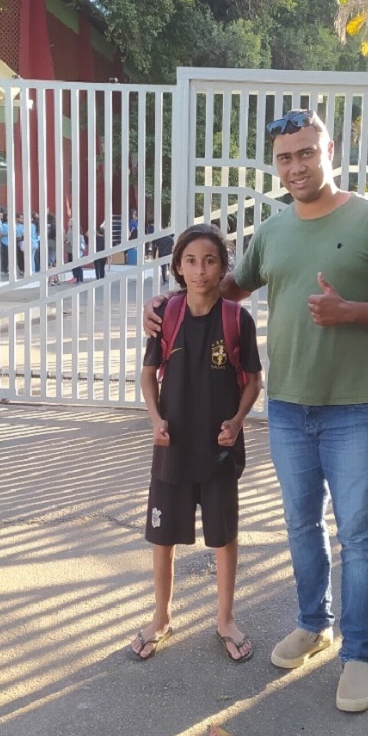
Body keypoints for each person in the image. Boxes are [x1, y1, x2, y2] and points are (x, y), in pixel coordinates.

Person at [145, 109, 368, 711]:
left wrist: (351, 312)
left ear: (329, 151)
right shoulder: (272, 232)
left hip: (356, 408)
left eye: (306, 153)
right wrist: (167, 302)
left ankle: (358, 654)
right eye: (285, 158)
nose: (296, 167)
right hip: (290, 408)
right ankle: (313, 624)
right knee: (301, 527)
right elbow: (221, 289)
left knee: (358, 536)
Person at [134, 223, 263, 663]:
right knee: (163, 537)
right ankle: (161, 617)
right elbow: (148, 377)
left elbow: (253, 381)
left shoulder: (237, 320)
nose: (200, 270)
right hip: (172, 447)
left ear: (224, 268)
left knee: (224, 536)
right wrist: (155, 420)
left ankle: (225, 619)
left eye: (210, 261)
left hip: (219, 449)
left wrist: (237, 421)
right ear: (177, 267)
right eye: (190, 261)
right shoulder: (166, 316)